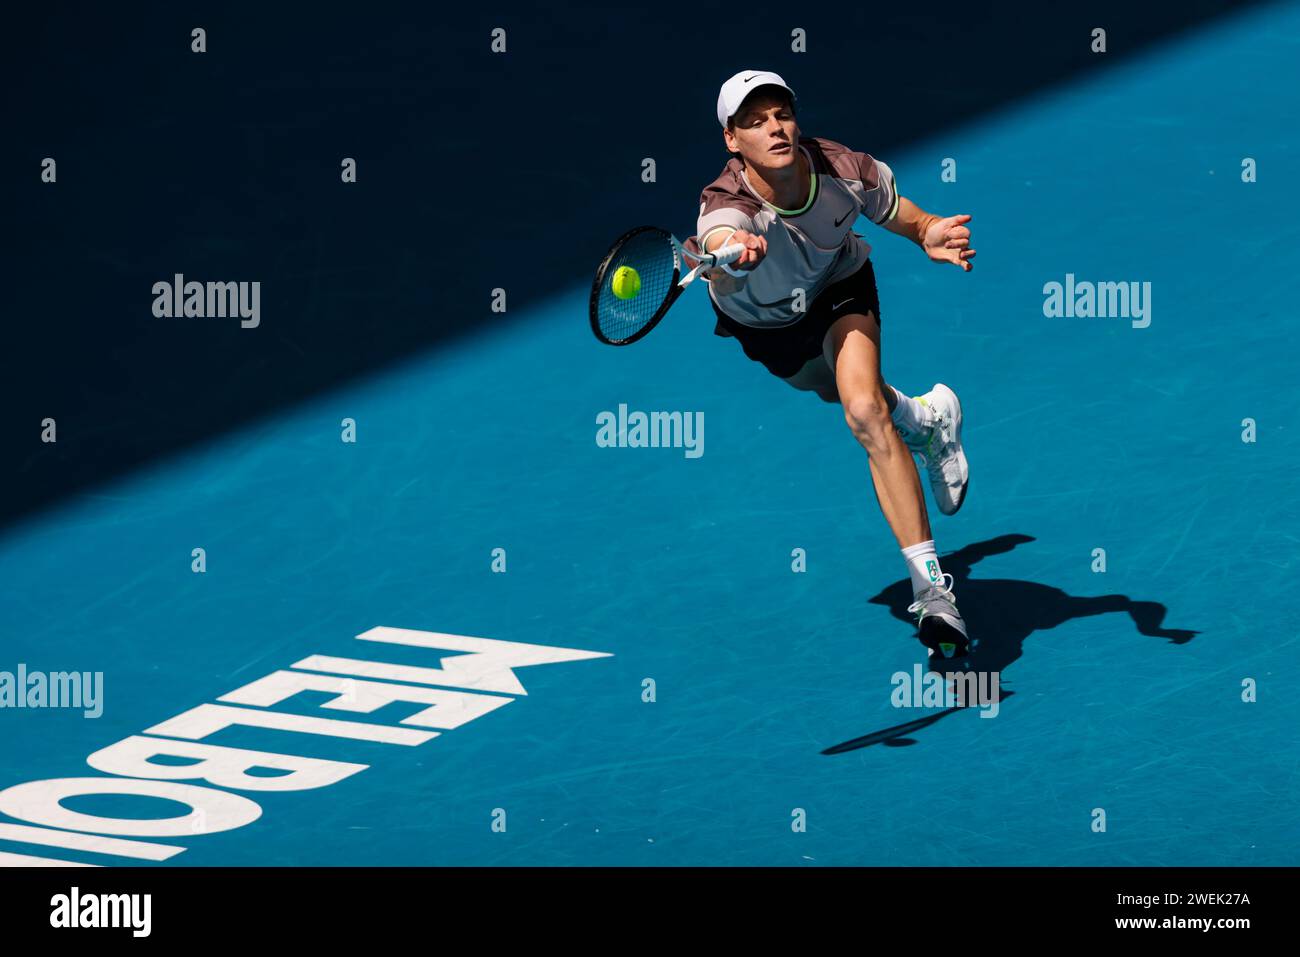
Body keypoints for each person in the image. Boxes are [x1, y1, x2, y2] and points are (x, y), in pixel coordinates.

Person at [690, 69, 977, 666]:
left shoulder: (842, 166)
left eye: (781, 114)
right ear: (731, 140)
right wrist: (732, 255)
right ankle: (925, 420)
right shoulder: (725, 206)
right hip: (767, 324)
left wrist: (928, 232)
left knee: (864, 411)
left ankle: (932, 593)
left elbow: (901, 212)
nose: (774, 128)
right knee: (837, 395)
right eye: (754, 121)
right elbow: (719, 237)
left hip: (838, 285)